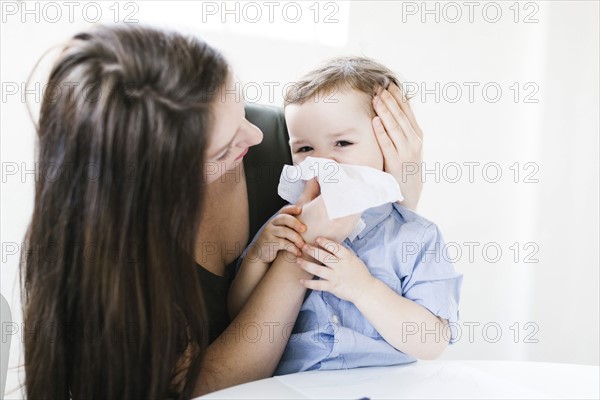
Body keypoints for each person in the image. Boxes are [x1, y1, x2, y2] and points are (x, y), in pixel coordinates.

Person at [21, 25, 423, 399]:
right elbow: (197, 389)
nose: (258, 135)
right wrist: (303, 251)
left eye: (242, 109)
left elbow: (382, 247)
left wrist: (403, 188)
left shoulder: (286, 140)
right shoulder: (102, 261)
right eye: (224, 147)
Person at [229, 57, 462, 374]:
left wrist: (363, 288)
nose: (323, 161)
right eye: (305, 149)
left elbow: (433, 342)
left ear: (388, 144)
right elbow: (237, 314)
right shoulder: (285, 223)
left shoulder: (415, 236)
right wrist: (259, 257)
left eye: (342, 142)